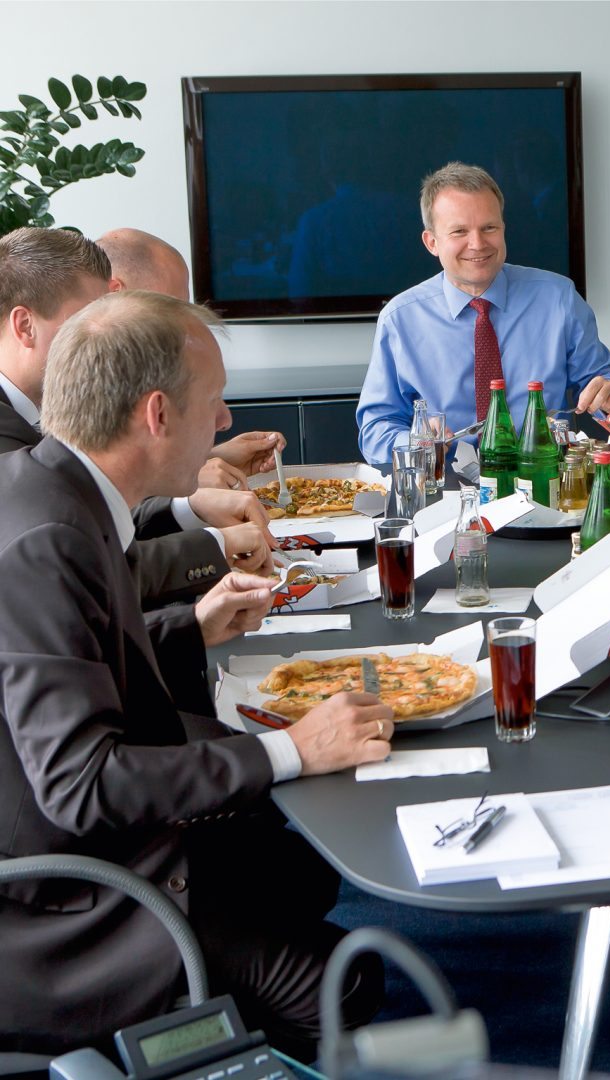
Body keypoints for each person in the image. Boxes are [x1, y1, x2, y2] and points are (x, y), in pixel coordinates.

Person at [0, 290, 394, 1059]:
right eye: (212, 403)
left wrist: (192, 625)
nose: (222, 422)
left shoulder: (48, 488)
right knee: (346, 987)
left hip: (89, 846)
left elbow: (73, 662)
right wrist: (295, 750)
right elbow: (81, 786)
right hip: (65, 908)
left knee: (297, 867)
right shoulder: (50, 540)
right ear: (156, 414)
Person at [0, 227, 275, 602]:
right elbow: (83, 562)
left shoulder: (40, 408)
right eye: (87, 319)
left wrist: (196, 485)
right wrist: (214, 542)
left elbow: (101, 503)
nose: (104, 337)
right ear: (25, 326)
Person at [356, 161, 610, 466]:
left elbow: (604, 379)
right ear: (432, 242)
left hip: (543, 479)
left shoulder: (559, 298)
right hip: (445, 484)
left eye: (489, 227)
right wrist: (416, 441)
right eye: (460, 231)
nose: (478, 244)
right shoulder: (400, 319)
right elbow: (375, 431)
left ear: (503, 229)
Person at [97, 226, 286, 489]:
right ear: (115, 291)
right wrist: (194, 486)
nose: (224, 421)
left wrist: (209, 459)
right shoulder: (87, 376)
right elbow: (107, 490)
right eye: (172, 306)